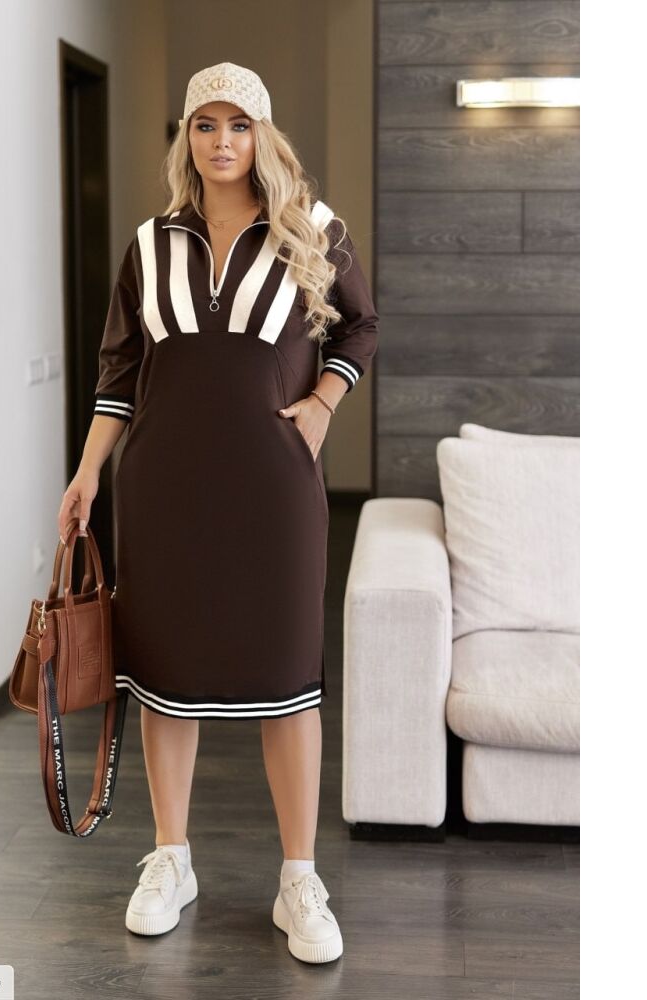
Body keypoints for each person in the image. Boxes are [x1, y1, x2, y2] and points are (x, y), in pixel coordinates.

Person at [56, 61, 378, 965]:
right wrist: (86, 473)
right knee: (167, 676)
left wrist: (321, 403)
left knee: (289, 677)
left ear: (262, 136)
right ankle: (171, 859)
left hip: (274, 489)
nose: (222, 140)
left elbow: (359, 324)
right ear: (187, 138)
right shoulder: (147, 243)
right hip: (162, 490)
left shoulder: (312, 228)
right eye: (206, 124)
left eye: (239, 125)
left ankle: (298, 878)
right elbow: (120, 370)